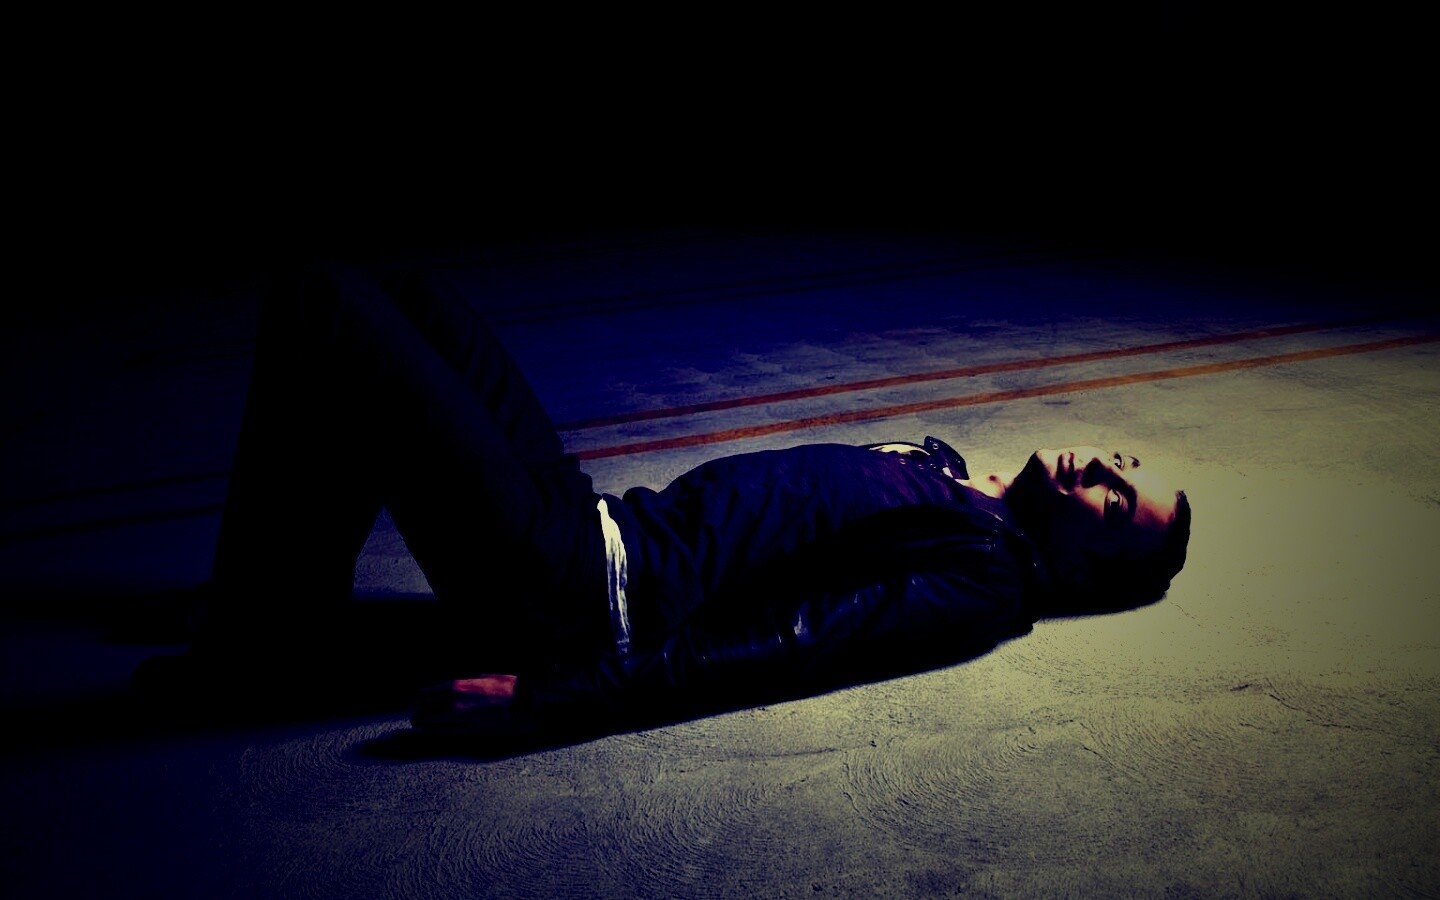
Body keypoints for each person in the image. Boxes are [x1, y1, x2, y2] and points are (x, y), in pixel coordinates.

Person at [133, 262, 1191, 741]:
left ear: (1081, 568)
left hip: (570, 593)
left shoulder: (985, 576)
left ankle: (252, 645)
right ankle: (274, 609)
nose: (1100, 474)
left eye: (1113, 510)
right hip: (595, 518)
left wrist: (546, 704)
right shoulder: (954, 477)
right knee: (397, 284)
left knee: (325, 302)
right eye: (1122, 468)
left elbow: (788, 648)